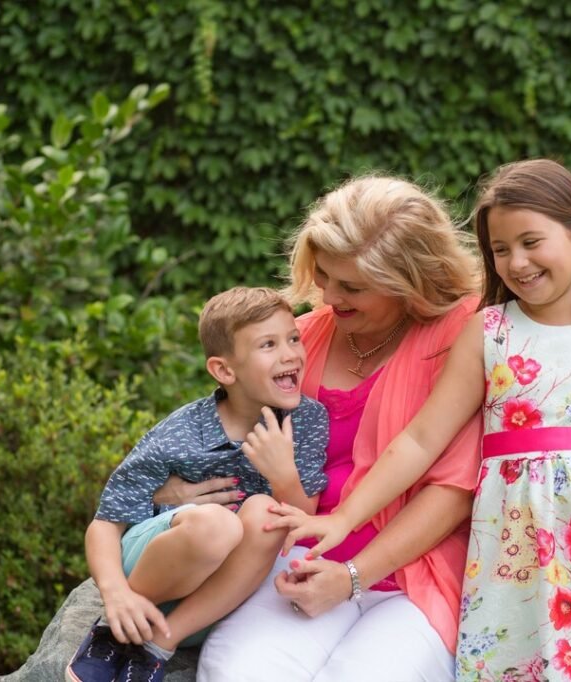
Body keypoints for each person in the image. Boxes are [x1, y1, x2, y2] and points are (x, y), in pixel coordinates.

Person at [272, 159, 571, 680]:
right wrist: (344, 516)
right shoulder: (488, 333)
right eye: (500, 249)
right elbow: (421, 440)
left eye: (531, 242)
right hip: (516, 553)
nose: (516, 262)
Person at [166, 175, 483, 681]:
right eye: (324, 276)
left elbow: (453, 492)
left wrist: (352, 577)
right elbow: (233, 427)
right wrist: (178, 486)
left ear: (410, 278)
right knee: (238, 673)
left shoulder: (464, 338)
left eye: (352, 286)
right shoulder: (303, 338)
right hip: (297, 560)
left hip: (415, 577)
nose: (329, 297)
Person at [65, 287, 329, 682]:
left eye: (293, 338)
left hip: (215, 598)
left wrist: (283, 475)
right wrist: (115, 593)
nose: (290, 353)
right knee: (216, 525)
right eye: (268, 345)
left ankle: (159, 642)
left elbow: (303, 518)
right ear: (225, 371)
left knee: (265, 512)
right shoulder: (181, 433)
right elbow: (106, 522)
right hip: (151, 572)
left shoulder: (307, 420)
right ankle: (113, 632)